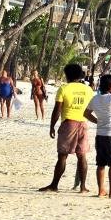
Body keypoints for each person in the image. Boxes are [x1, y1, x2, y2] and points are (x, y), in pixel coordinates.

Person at [39, 63, 96, 193]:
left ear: (67, 75)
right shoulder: (88, 89)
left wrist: (52, 126)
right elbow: (90, 108)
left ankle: (54, 185)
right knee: (82, 156)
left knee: (63, 156)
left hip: (69, 124)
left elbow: (57, 110)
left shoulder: (64, 89)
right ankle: (82, 187)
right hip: (83, 124)